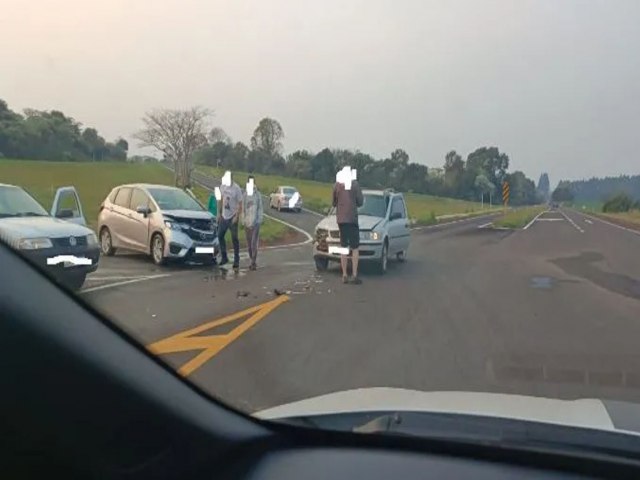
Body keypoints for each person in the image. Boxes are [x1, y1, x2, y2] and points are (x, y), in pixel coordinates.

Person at [333, 175, 364, 284]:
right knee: (355, 247)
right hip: (352, 219)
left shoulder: (337, 185)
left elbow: (333, 202)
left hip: (341, 219)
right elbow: (360, 202)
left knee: (343, 246)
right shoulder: (355, 184)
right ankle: (354, 275)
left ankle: (344, 274)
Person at [217, 174, 243, 269]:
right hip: (224, 216)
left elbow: (240, 204)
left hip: (233, 216)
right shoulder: (223, 186)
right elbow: (220, 200)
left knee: (234, 238)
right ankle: (224, 257)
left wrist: (236, 216)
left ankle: (236, 259)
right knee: (220, 235)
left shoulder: (236, 188)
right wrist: (219, 213)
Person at [242, 175, 264, 271]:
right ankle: (252, 258)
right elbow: (243, 209)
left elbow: (260, 208)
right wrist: (243, 221)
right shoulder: (245, 194)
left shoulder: (257, 194)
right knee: (249, 243)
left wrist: (258, 220)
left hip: (255, 222)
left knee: (253, 242)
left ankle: (253, 262)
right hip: (247, 222)